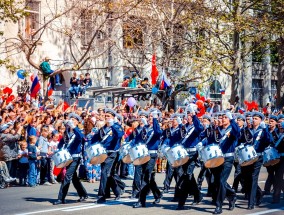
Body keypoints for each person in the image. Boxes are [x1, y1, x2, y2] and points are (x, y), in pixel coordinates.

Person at [53, 113, 88, 205]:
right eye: (70, 119)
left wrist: (74, 127)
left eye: (74, 120)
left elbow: (81, 138)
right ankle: (83, 194)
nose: (71, 121)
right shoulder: (67, 131)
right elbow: (62, 142)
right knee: (74, 178)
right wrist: (58, 148)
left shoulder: (79, 131)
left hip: (76, 157)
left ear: (77, 122)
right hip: (67, 156)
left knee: (67, 176)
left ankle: (61, 198)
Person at [241, 112, 273, 210]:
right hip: (248, 157)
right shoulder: (248, 129)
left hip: (258, 157)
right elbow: (241, 139)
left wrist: (266, 129)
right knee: (247, 178)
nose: (253, 120)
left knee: (253, 178)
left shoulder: (263, 130)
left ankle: (251, 202)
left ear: (260, 120)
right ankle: (259, 193)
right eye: (253, 118)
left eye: (256, 118)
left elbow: (269, 140)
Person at [93, 108, 125, 203]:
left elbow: (119, 135)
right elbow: (96, 138)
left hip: (112, 153)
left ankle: (101, 196)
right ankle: (117, 191)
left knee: (104, 172)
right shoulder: (103, 128)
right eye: (105, 116)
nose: (106, 117)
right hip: (103, 153)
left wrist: (113, 125)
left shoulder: (117, 126)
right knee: (109, 174)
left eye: (109, 116)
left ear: (113, 117)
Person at [132, 109, 162, 208]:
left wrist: (155, 119)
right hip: (142, 154)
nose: (150, 118)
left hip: (151, 155)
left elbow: (158, 132)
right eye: (149, 116)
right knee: (147, 178)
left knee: (145, 177)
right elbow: (138, 139)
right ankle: (157, 194)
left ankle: (141, 201)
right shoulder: (145, 128)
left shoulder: (156, 128)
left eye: (152, 117)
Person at [175, 105, 203, 210]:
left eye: (190, 114)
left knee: (186, 177)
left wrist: (195, 116)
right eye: (187, 114)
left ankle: (181, 203)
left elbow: (200, 128)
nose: (188, 116)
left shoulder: (196, 126)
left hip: (192, 154)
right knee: (189, 177)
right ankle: (198, 195)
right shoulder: (185, 126)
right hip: (184, 154)